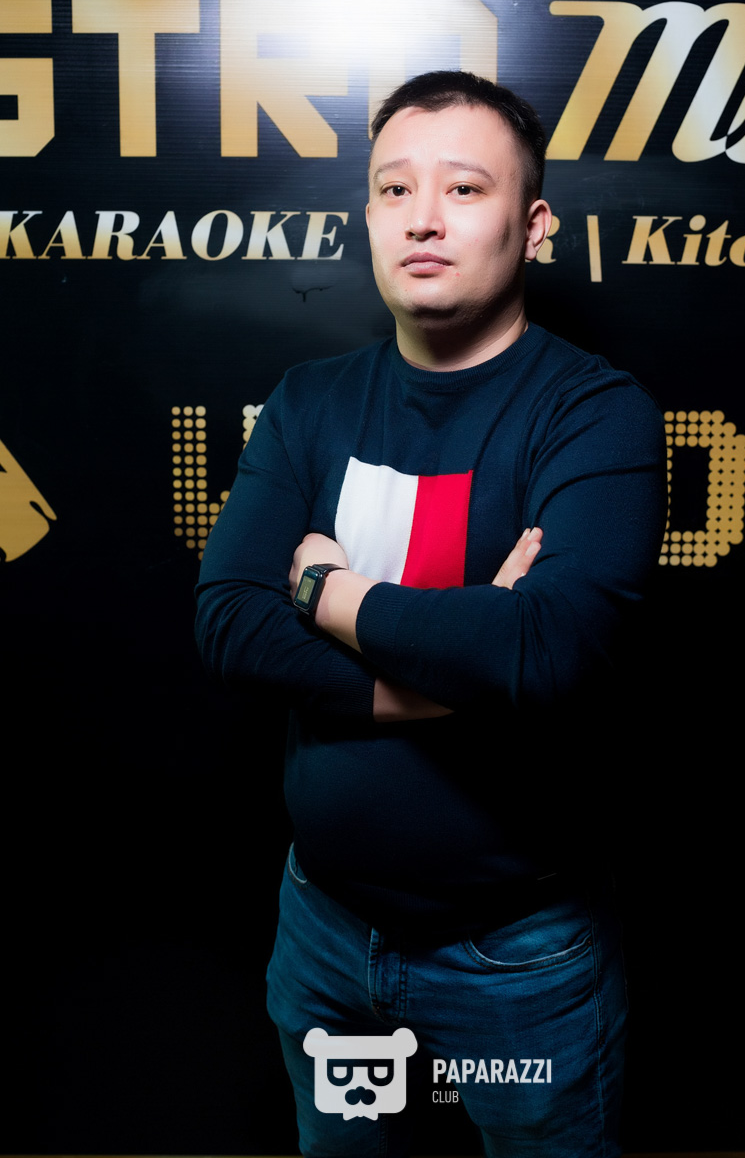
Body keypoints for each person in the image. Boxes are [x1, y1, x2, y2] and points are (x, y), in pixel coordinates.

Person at [195, 70, 667, 1157]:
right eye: (393, 188)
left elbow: (547, 649)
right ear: (367, 217)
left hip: (520, 956)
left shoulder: (594, 412)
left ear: (532, 226)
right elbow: (227, 622)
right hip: (322, 928)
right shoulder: (309, 400)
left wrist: (325, 591)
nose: (421, 217)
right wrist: (463, 665)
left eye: (463, 187)